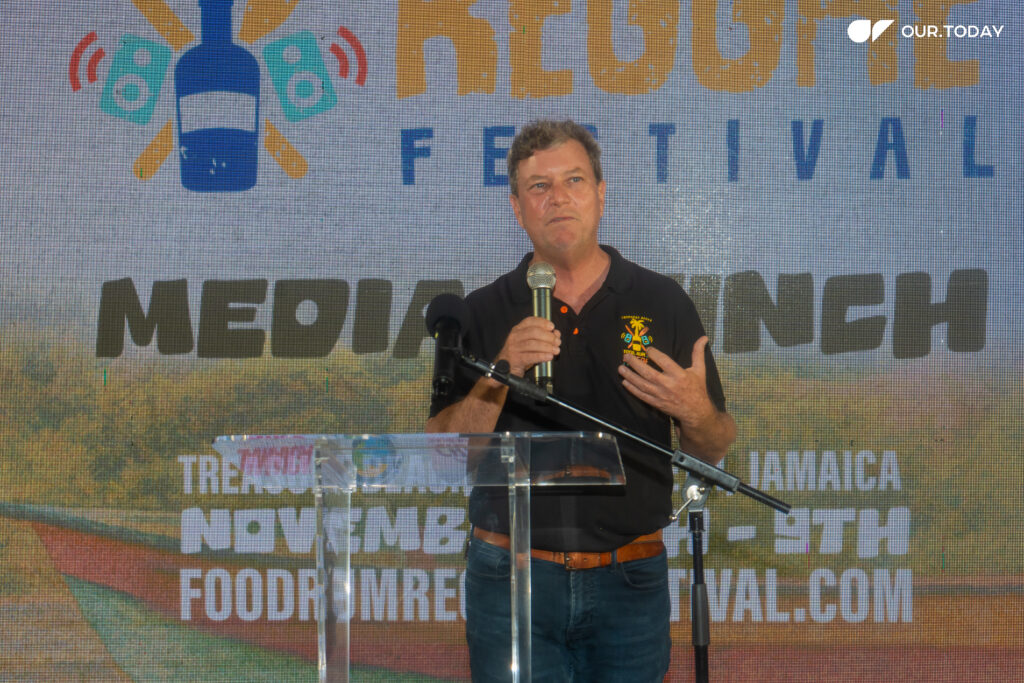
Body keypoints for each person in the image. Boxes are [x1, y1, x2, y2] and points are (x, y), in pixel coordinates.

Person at [426, 119, 736, 682]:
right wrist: (501, 372)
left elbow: (712, 449)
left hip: (630, 582)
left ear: (600, 193)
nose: (558, 197)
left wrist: (696, 412)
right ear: (517, 208)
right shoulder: (478, 312)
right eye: (539, 186)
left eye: (573, 180)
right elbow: (445, 456)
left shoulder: (661, 301)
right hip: (510, 582)